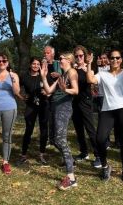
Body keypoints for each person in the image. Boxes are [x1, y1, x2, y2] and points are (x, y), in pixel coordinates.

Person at [86, 50, 123, 183]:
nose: (114, 60)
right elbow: (90, 79)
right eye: (112, 58)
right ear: (108, 60)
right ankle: (105, 166)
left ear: (121, 59)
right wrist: (89, 64)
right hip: (107, 110)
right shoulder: (102, 74)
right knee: (100, 139)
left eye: (117, 58)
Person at [40, 52, 79, 190]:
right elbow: (49, 90)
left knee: (60, 139)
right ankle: (70, 160)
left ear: (68, 60)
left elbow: (75, 90)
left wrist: (65, 89)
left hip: (64, 108)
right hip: (54, 107)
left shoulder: (72, 72)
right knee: (55, 140)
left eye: (61, 58)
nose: (59, 60)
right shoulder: (61, 75)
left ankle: (71, 177)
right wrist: (43, 77)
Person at [72, 46, 101, 168]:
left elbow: (90, 81)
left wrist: (88, 65)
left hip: (86, 101)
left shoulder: (89, 69)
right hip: (75, 102)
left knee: (90, 129)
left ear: (84, 56)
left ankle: (98, 155)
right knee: (78, 129)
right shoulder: (73, 69)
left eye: (81, 56)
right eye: (77, 56)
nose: (79, 58)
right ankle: (84, 152)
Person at [19, 57, 49, 166]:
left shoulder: (43, 75)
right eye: (34, 64)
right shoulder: (25, 76)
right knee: (29, 129)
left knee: (44, 129)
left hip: (44, 105)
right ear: (30, 64)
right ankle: (23, 154)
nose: (36, 66)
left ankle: (41, 154)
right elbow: (16, 86)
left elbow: (51, 88)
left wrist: (47, 92)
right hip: (31, 106)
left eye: (37, 64)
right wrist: (21, 96)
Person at [43, 46, 61, 146]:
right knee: (46, 118)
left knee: (55, 118)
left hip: (56, 95)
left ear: (53, 54)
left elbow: (66, 75)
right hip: (44, 95)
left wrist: (59, 75)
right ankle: (47, 139)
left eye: (48, 53)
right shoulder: (42, 65)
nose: (46, 55)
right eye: (45, 53)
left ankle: (54, 139)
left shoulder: (58, 64)